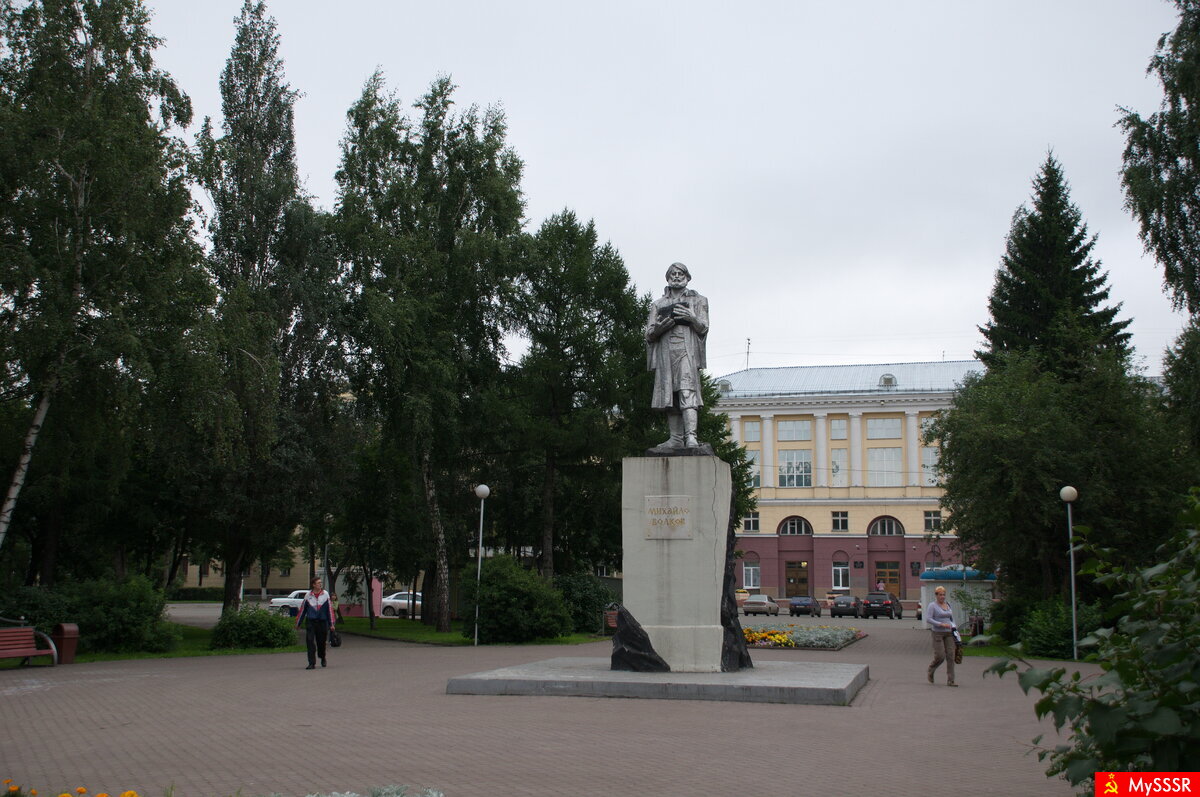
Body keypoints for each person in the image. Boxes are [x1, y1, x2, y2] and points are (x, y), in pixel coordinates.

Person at [645, 262, 709, 448]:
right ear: (667, 278)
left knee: (687, 392)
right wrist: (658, 329)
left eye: (680, 273)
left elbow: (703, 328)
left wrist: (692, 318)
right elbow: (648, 334)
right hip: (666, 354)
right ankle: (675, 438)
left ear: (687, 277)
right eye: (672, 273)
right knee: (669, 395)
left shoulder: (699, 300)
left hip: (687, 351)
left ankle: (691, 437)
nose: (676, 276)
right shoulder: (658, 304)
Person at [296, 576, 335, 670]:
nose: (320, 584)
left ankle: (322, 657)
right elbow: (303, 610)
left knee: (321, 642)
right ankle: (311, 663)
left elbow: (329, 610)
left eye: (321, 583)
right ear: (313, 585)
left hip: (322, 622)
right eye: (318, 583)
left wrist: (331, 624)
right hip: (311, 622)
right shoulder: (308, 595)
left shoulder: (325, 594)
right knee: (310, 641)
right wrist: (298, 623)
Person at [924, 586, 958, 686]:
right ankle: (931, 670)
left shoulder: (948, 604)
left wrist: (955, 628)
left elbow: (951, 618)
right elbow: (928, 619)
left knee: (951, 656)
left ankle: (951, 680)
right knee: (940, 656)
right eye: (940, 595)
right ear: (936, 595)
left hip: (949, 633)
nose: (942, 597)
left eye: (943, 595)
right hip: (937, 633)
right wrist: (940, 624)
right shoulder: (932, 605)